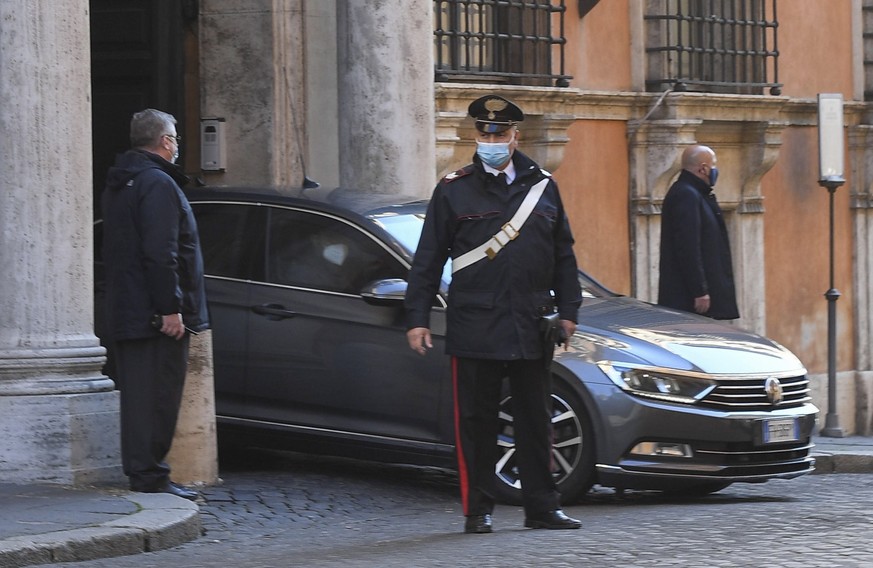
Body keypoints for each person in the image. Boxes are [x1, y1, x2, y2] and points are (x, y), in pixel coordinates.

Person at [404, 94, 583, 534]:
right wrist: (418, 317)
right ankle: (477, 509)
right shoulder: (453, 188)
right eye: (485, 134)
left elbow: (563, 254)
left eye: (500, 134)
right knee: (477, 423)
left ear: (515, 136)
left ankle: (542, 506)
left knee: (535, 420)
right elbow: (428, 258)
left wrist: (569, 310)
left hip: (530, 320)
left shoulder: (543, 186)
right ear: (475, 136)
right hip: (476, 322)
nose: (492, 140)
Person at [101, 108, 210, 500]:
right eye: (176, 138)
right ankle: (150, 476)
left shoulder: (121, 183)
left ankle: (145, 472)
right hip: (153, 315)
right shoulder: (158, 185)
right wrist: (171, 309)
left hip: (129, 309)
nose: (177, 145)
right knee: (158, 399)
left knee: (140, 399)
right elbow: (161, 253)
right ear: (164, 142)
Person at [658, 144, 739, 320]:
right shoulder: (686, 195)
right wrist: (700, 291)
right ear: (703, 168)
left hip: (699, 299)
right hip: (692, 302)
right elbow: (688, 247)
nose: (715, 170)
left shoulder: (695, 194)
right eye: (713, 165)